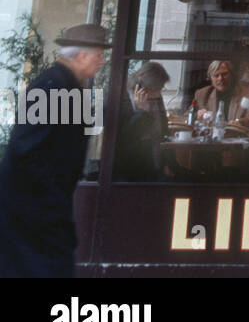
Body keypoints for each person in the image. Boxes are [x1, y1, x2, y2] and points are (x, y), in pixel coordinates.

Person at [0, 23, 110, 277]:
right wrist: (53, 194)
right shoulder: (52, 86)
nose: (102, 61)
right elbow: (24, 151)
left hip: (41, 206)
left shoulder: (67, 85)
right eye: (98, 55)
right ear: (81, 56)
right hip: (32, 209)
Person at [116, 61, 171, 181]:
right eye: (155, 90)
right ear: (141, 88)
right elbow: (124, 138)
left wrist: (166, 162)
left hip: (156, 163)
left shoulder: (157, 100)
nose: (158, 94)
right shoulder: (121, 101)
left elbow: (163, 131)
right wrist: (141, 113)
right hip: (130, 169)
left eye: (160, 90)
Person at [191, 60, 249, 125]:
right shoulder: (201, 94)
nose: (220, 78)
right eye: (216, 75)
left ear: (231, 75)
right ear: (210, 78)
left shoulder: (246, 94)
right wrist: (195, 116)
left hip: (236, 135)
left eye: (224, 74)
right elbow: (185, 118)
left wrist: (240, 122)